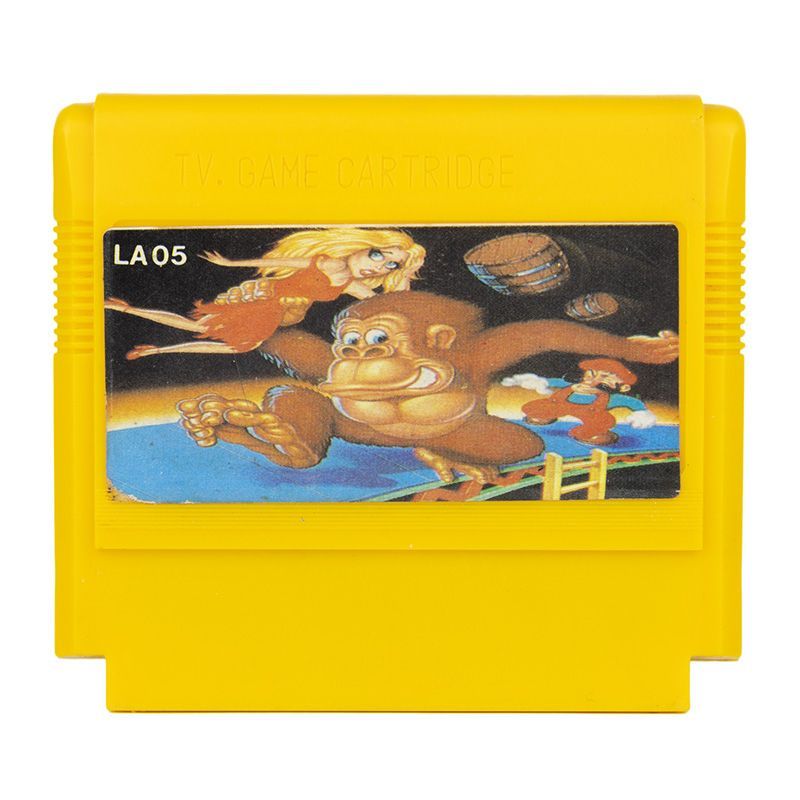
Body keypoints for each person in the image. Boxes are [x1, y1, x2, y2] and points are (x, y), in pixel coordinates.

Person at [104, 228, 426, 359]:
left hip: (277, 312)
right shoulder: (328, 262)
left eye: (390, 265)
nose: (379, 267)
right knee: (221, 336)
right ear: (362, 246)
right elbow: (277, 262)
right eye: (378, 255)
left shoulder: (350, 284)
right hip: (266, 302)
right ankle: (139, 326)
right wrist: (232, 263)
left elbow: (394, 303)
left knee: (215, 334)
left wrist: (408, 271)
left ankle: (142, 329)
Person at [505, 358, 657, 445]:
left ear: (622, 386)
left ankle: (590, 433)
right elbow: (551, 381)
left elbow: (631, 402)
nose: (593, 380)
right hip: (557, 407)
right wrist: (538, 381)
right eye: (591, 374)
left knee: (603, 422)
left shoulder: (611, 398)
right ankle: (543, 416)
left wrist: (641, 413)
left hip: (591, 415)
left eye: (604, 377)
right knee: (537, 407)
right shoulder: (570, 386)